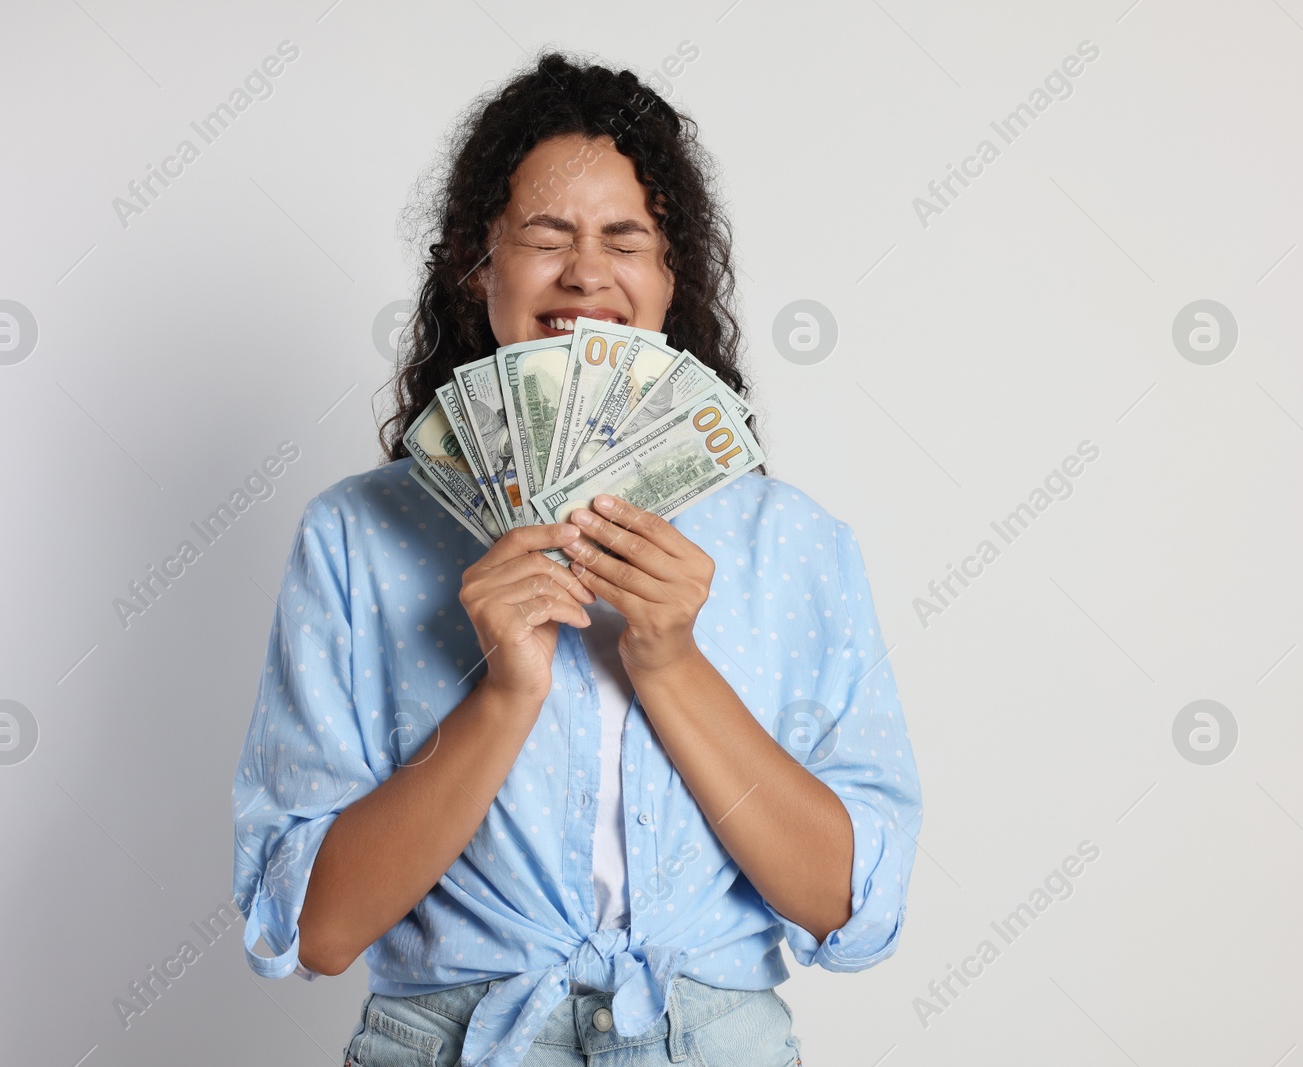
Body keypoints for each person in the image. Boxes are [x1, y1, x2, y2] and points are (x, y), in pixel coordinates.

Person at [230, 52, 922, 1067]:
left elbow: (847, 911)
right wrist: (504, 690)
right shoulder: (355, 537)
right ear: (480, 270)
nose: (585, 271)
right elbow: (314, 929)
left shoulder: (796, 544)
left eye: (625, 238)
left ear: (669, 277)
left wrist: (671, 661)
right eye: (544, 236)